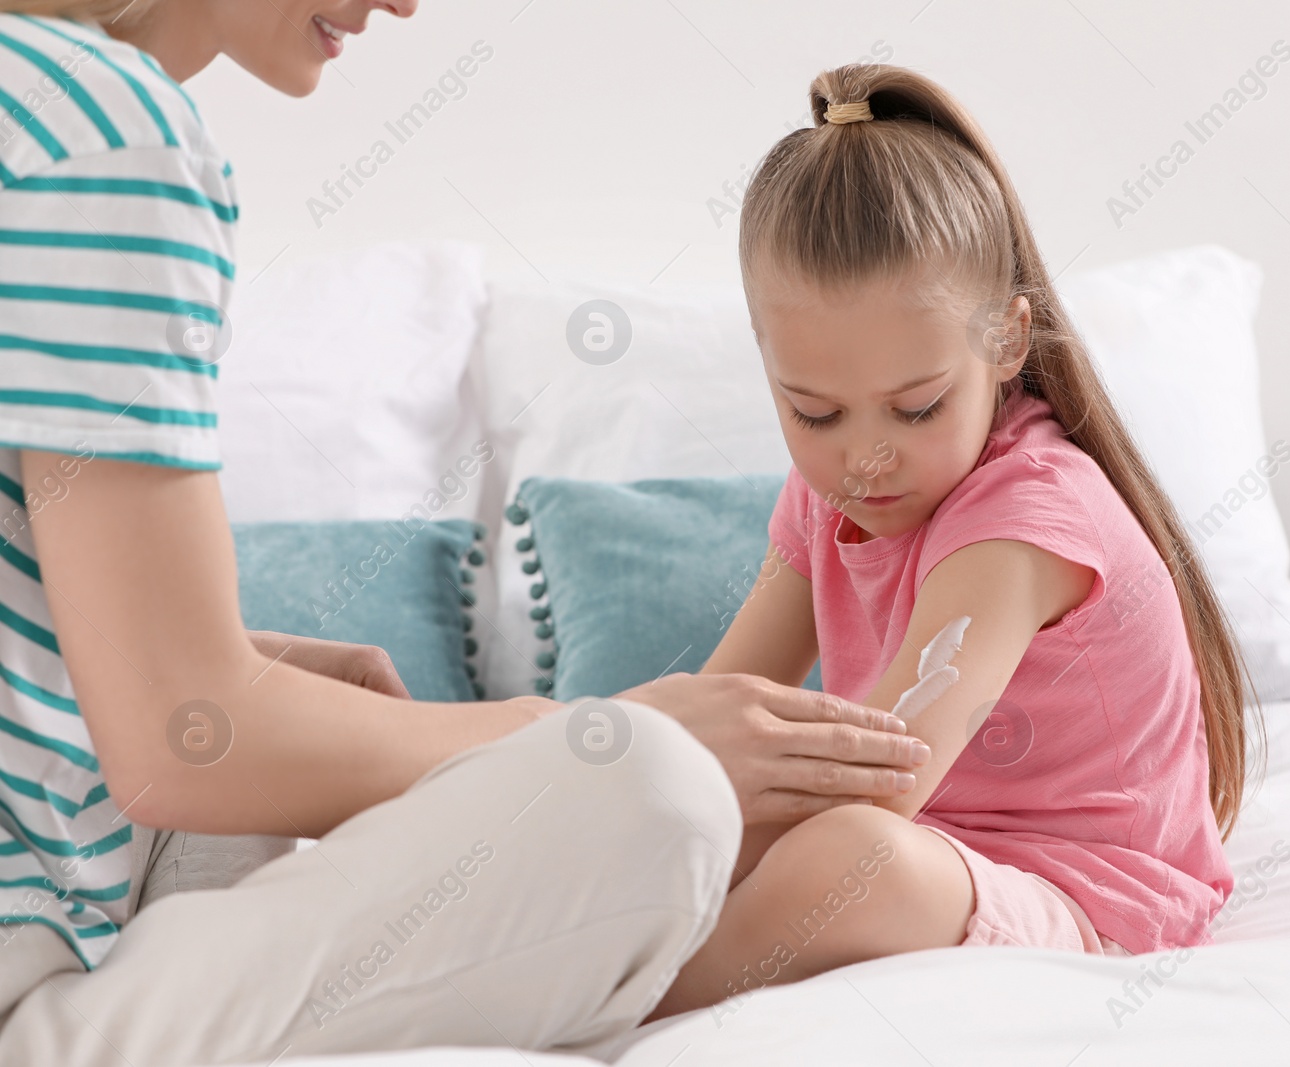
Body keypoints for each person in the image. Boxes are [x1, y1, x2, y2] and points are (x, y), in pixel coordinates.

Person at [0, 4, 932, 1062]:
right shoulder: (107, 138)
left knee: (316, 771)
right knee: (654, 793)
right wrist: (586, 725)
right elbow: (184, 736)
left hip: (85, 869)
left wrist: (247, 661)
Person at [647, 63, 1262, 1020]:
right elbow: (731, 702)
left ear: (1009, 342)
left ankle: (594, 1009)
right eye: (814, 414)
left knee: (850, 857)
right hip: (933, 845)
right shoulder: (829, 499)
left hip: (1082, 891)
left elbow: (877, 784)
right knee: (681, 801)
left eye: (917, 405)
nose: (864, 458)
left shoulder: (1024, 521)